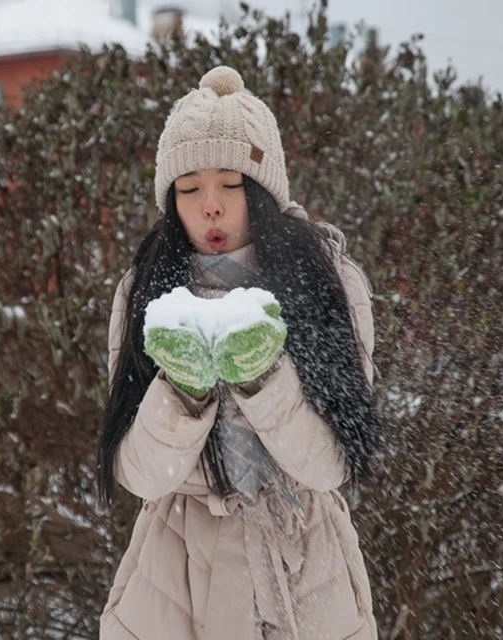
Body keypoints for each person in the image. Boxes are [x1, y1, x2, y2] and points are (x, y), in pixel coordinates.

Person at [97, 65, 383, 640]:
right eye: (188, 189)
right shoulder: (145, 291)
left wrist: (263, 380)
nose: (210, 207)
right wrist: (183, 390)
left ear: (263, 189)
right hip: (173, 581)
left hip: (307, 577)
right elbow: (141, 475)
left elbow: (330, 466)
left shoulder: (325, 281)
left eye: (230, 184)